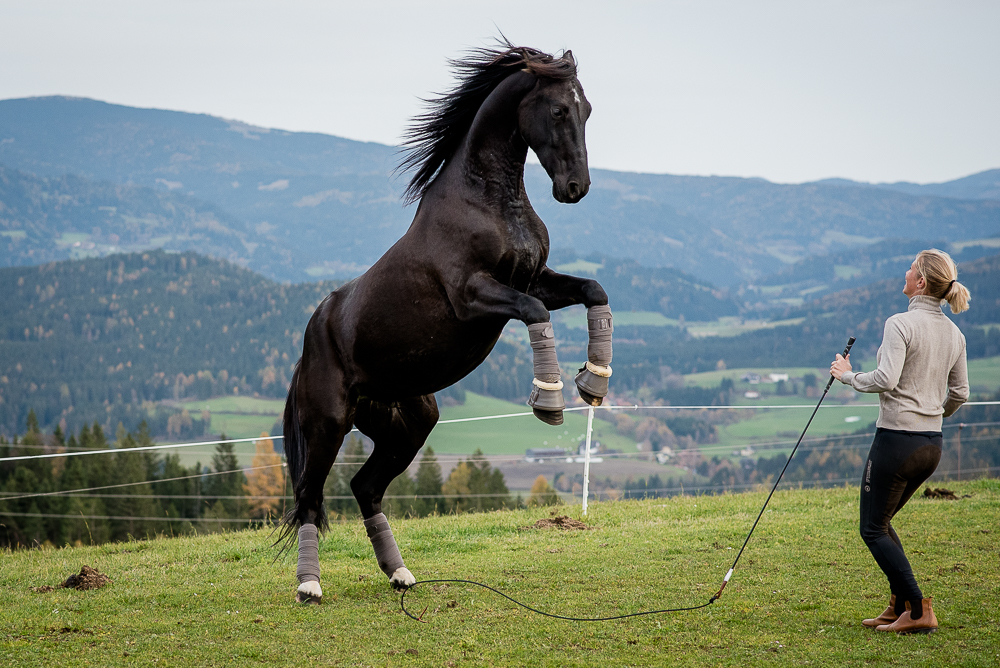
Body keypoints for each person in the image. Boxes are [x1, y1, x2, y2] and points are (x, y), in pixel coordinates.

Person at [830, 248, 970, 635]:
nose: (905, 272)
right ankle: (899, 606)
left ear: (921, 282)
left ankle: (918, 607)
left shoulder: (900, 323)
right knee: (882, 521)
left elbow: (886, 379)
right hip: (932, 444)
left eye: (910, 268)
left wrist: (847, 375)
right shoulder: (954, 333)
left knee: (872, 528)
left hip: (896, 441)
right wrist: (933, 413)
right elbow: (960, 393)